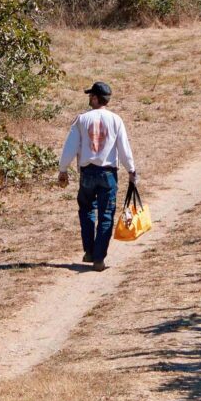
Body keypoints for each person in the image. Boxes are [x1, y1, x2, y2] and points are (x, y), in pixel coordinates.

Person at [57, 81, 138, 270]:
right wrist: (131, 169)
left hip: (87, 172)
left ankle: (90, 251)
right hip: (108, 173)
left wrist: (63, 168)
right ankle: (99, 258)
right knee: (106, 215)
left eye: (90, 96)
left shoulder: (81, 119)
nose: (88, 99)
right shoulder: (116, 120)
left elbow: (71, 146)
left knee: (86, 211)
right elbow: (123, 148)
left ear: (95, 98)